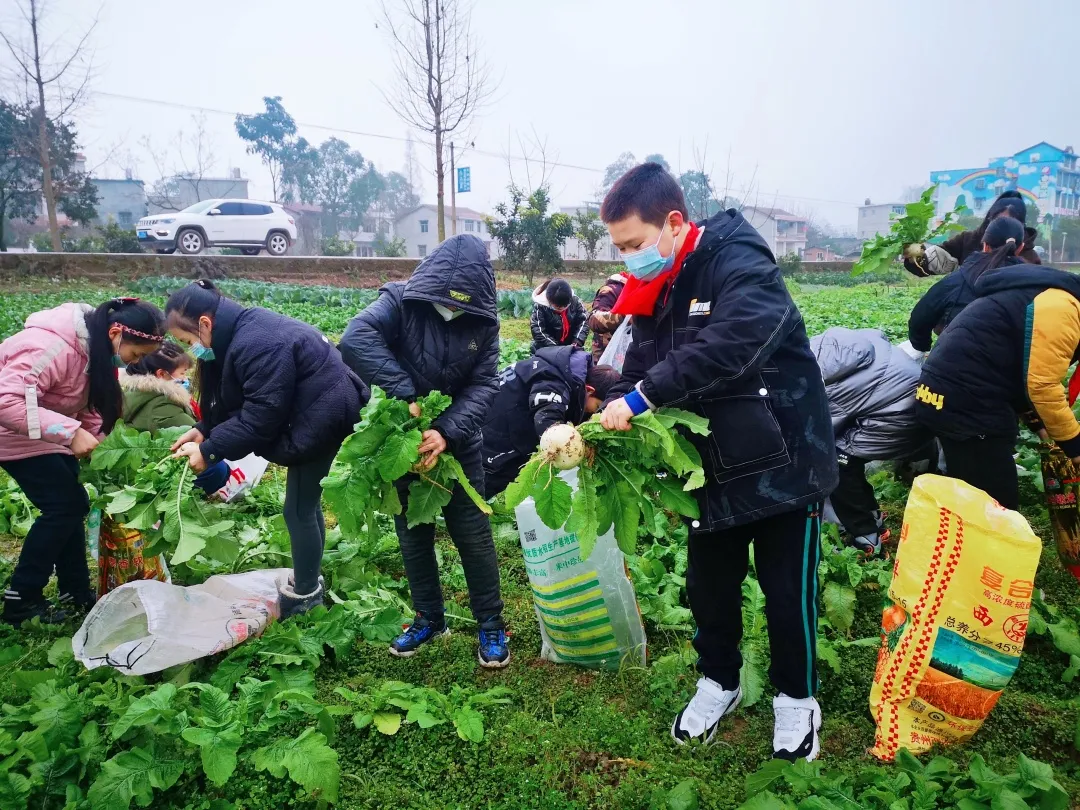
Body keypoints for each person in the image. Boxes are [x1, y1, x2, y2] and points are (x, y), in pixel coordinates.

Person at [597, 163, 837, 761]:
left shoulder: (739, 260)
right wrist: (609, 409)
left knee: (787, 591)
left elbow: (734, 340)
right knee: (709, 587)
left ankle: (795, 700)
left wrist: (645, 396)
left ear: (673, 224)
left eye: (634, 243)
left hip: (782, 460)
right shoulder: (656, 287)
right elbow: (637, 367)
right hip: (710, 468)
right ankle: (718, 682)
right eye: (620, 248)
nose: (629, 258)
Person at [339, 234, 509, 668]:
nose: (453, 310)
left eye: (463, 304)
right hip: (403, 442)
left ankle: (490, 623)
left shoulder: (484, 324)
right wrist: (406, 395)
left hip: (458, 443)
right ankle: (429, 617)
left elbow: (484, 384)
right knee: (412, 534)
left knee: (472, 534)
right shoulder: (400, 301)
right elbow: (356, 338)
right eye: (448, 301)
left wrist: (447, 433)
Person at [166, 279, 368, 618]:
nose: (191, 349)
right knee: (305, 504)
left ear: (205, 323)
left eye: (188, 341)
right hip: (314, 406)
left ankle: (306, 596)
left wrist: (211, 451)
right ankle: (309, 577)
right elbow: (235, 399)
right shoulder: (237, 333)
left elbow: (260, 417)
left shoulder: (257, 343)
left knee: (298, 509)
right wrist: (203, 430)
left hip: (325, 413)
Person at [0, 298, 166, 625]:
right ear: (116, 332)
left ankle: (74, 590)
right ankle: (22, 597)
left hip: (46, 433)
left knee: (74, 504)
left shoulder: (94, 351)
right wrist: (69, 432)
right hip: (12, 433)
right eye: (137, 354)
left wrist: (102, 449)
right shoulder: (50, 347)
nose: (135, 362)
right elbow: (6, 401)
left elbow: (88, 406)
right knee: (64, 506)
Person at [915, 265, 1080, 510]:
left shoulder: (1048, 295)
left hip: (942, 395)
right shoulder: (1061, 308)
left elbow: (1016, 370)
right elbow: (1042, 386)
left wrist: (1040, 426)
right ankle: (988, 544)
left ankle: (970, 540)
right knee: (997, 504)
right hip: (966, 404)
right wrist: (1075, 447)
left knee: (973, 492)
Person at [809, 327, 931, 555]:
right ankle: (872, 516)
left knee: (837, 463)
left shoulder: (821, 382)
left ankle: (866, 536)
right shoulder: (832, 351)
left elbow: (821, 433)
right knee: (846, 456)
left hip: (900, 419)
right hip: (924, 405)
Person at [482, 345, 622, 496]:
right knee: (484, 478)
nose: (594, 413)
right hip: (491, 423)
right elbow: (547, 418)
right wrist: (576, 447)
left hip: (509, 418)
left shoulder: (571, 374)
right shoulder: (555, 379)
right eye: (596, 406)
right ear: (589, 390)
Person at [907, 217, 1028, 356]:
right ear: (1020, 248)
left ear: (985, 245)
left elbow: (919, 318)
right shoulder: (1037, 286)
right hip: (1011, 373)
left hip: (952, 368)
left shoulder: (956, 281)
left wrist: (923, 347)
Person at [121, 342, 230, 494]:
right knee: (217, 469)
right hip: (145, 475)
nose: (186, 378)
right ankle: (167, 499)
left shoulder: (141, 392)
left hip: (143, 464)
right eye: (183, 373)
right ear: (162, 374)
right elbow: (194, 436)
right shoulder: (161, 404)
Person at [903, 190, 1040, 277]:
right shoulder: (968, 240)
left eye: (1011, 222)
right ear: (989, 219)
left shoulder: (1030, 259)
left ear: (1021, 225)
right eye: (998, 221)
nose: (1004, 227)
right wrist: (915, 255)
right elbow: (933, 261)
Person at [530, 277, 588, 353]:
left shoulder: (575, 301)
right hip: (547, 348)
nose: (563, 308)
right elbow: (538, 330)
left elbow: (583, 322)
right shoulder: (540, 306)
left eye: (566, 305)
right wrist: (556, 349)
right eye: (558, 307)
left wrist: (577, 342)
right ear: (549, 300)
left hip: (570, 346)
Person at [588, 272, 627, 362]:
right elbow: (595, 319)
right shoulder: (612, 290)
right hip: (605, 349)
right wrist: (624, 316)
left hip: (626, 349)